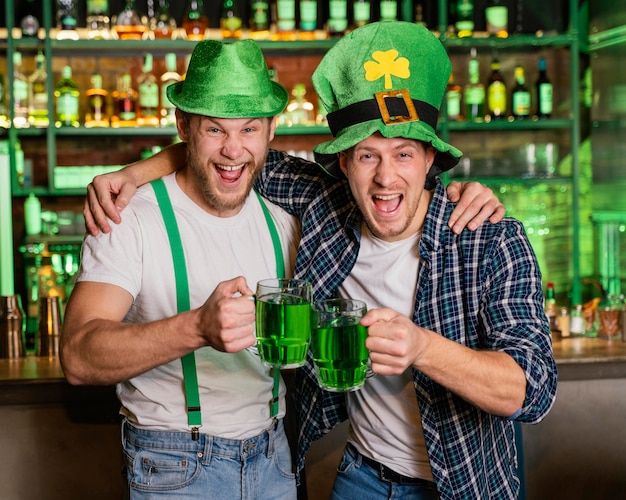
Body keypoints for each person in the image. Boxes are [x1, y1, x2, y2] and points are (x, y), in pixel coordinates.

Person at [64, 33, 504, 500]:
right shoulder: (130, 215)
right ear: (184, 127)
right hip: (176, 461)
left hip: (280, 458)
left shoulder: (300, 216)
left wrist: (460, 194)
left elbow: (531, 389)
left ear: (271, 130)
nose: (234, 149)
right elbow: (76, 357)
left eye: (249, 128)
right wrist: (194, 327)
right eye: (214, 128)